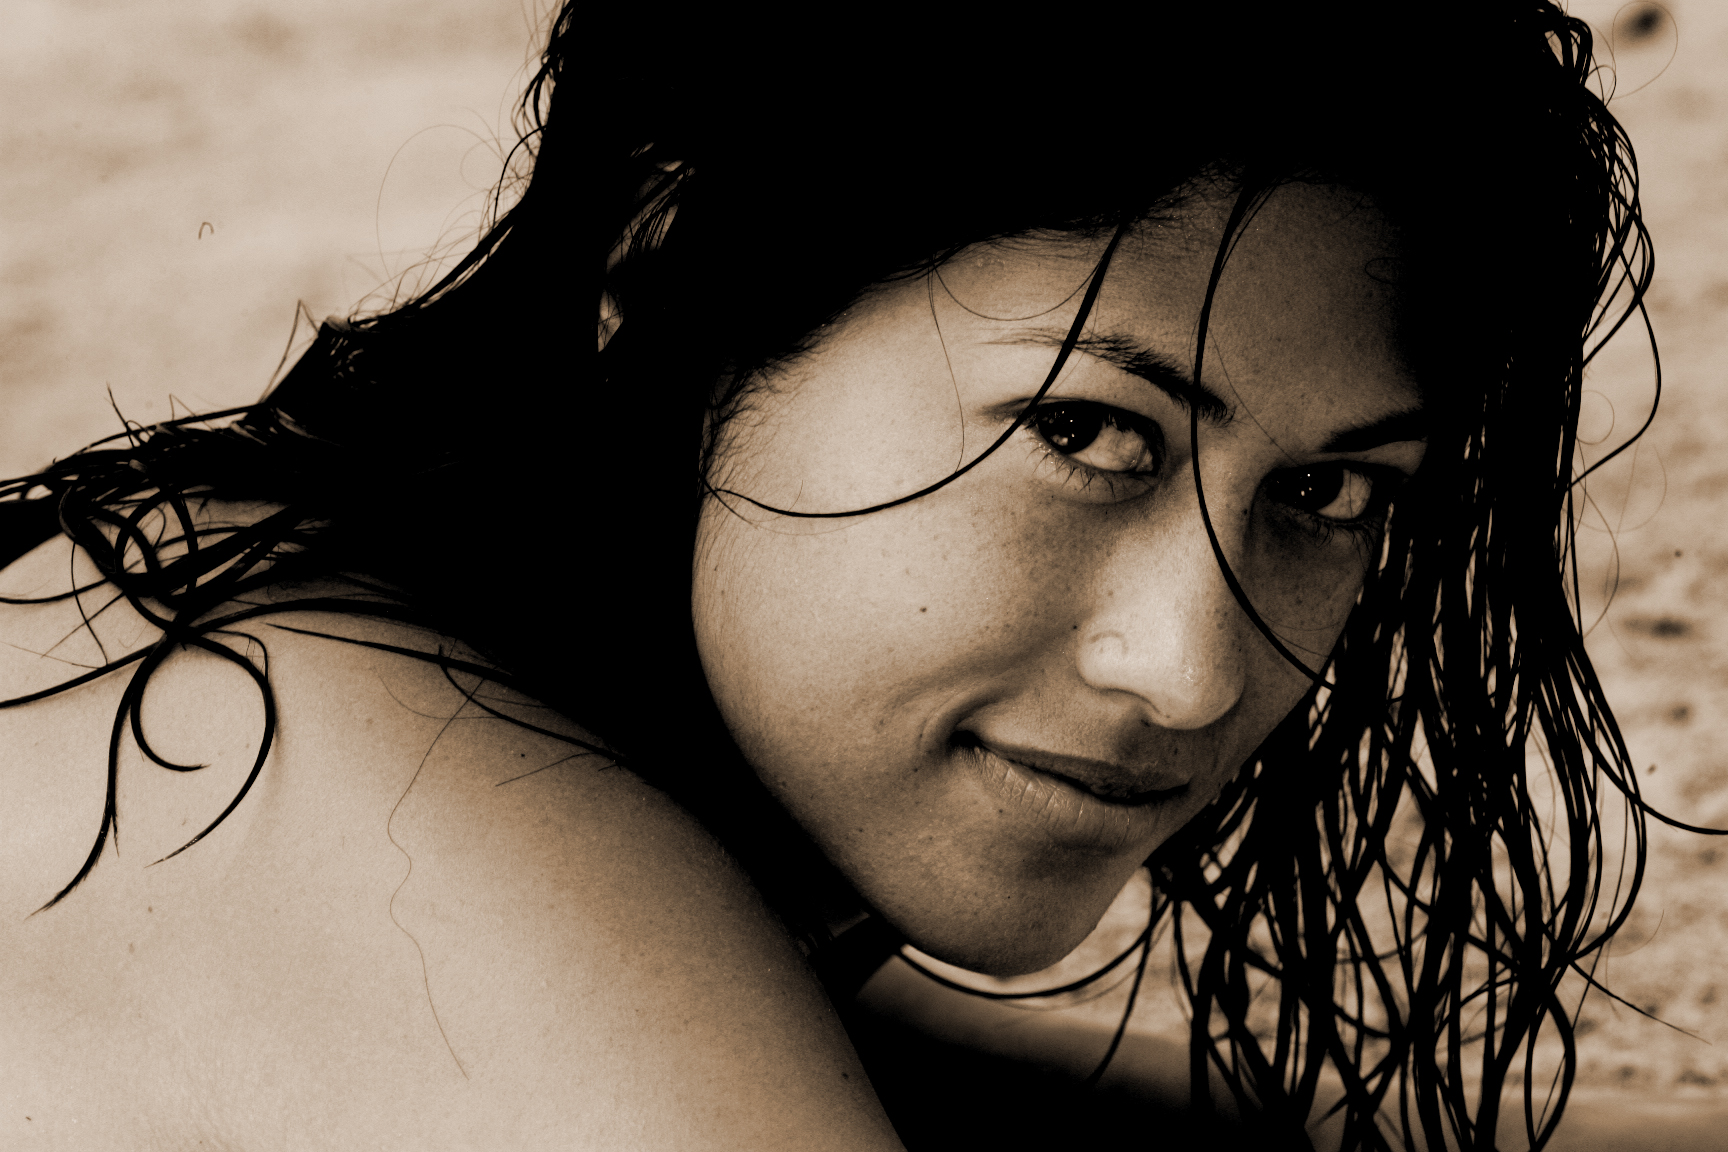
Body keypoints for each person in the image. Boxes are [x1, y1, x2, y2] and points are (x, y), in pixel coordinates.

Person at [0, 3, 1681, 1148]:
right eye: (1087, 433)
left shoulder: (364, 644)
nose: (1195, 671)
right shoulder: (312, 764)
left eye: (1327, 491)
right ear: (676, 275)